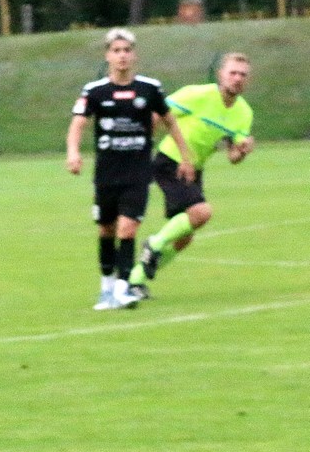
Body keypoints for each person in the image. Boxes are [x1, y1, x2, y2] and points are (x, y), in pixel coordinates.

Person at [65, 28, 194, 310]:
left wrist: (186, 157)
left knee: (128, 228)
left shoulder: (150, 88)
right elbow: (78, 123)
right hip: (106, 174)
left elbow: (170, 122)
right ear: (107, 56)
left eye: (126, 50)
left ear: (134, 55)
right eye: (116, 51)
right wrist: (73, 152)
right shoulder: (95, 91)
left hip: (137, 173)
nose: (122, 56)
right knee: (106, 230)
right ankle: (106, 288)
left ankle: (123, 288)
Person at [127, 53, 255, 300]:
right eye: (233, 73)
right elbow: (158, 113)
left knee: (184, 237)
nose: (237, 78)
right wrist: (141, 147)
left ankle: (135, 280)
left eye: (243, 75)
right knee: (201, 212)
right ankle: (153, 244)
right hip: (170, 160)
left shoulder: (243, 113)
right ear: (220, 74)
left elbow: (233, 156)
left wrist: (243, 150)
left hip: (194, 168)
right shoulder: (197, 94)